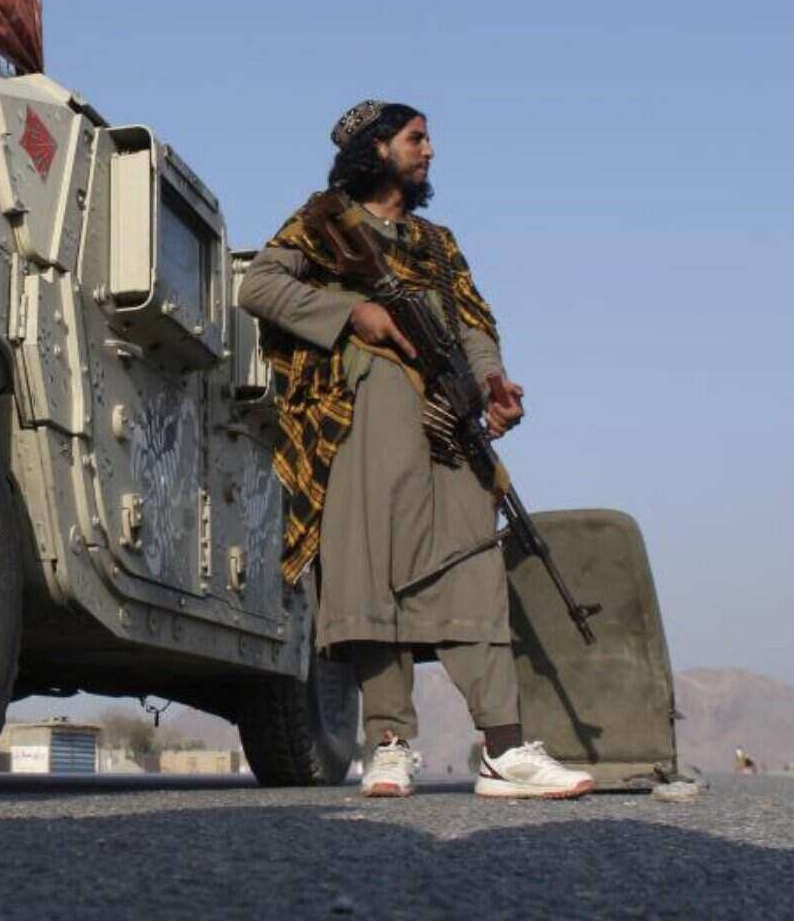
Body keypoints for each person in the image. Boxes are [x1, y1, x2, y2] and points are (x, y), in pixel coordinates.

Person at [238, 99, 594, 801]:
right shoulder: (323, 221)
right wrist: (352, 313)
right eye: (415, 138)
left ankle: (504, 751)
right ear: (376, 148)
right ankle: (389, 744)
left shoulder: (437, 242)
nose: (429, 151)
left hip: (449, 419)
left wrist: (493, 382)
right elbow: (261, 286)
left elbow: (472, 321)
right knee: (372, 573)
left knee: (473, 565)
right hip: (364, 411)